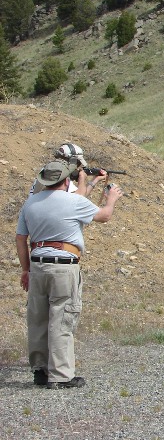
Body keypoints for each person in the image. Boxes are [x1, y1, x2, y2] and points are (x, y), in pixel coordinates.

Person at [16, 160, 123, 389]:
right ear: (66, 180)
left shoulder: (30, 203)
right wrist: (111, 198)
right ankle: (61, 375)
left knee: (38, 319)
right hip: (64, 264)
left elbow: (20, 239)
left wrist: (25, 269)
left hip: (37, 265)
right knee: (62, 317)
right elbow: (103, 215)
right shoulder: (73, 201)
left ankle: (40, 370)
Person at [29, 143, 107, 197]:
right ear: (71, 161)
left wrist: (95, 180)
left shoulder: (47, 170)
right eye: (78, 162)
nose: (78, 166)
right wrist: (83, 179)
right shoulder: (62, 177)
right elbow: (80, 198)